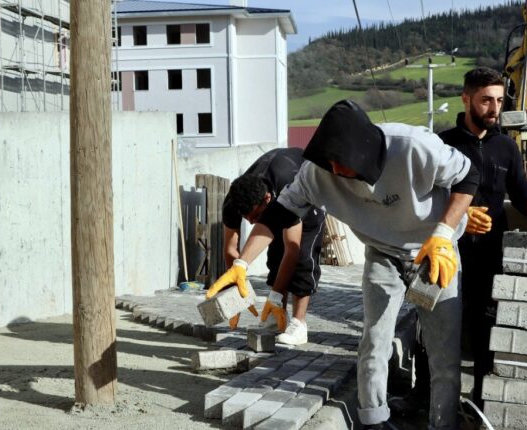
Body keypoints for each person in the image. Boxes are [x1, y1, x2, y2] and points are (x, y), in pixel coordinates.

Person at [206, 99, 480, 429]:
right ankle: (374, 420)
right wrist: (242, 266)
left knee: (443, 351)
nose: (335, 171)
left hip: (434, 253)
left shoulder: (413, 146)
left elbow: (469, 176)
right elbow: (278, 214)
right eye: (330, 163)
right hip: (383, 254)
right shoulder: (317, 172)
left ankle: (443, 424)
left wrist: (444, 231)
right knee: (374, 341)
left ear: (363, 151)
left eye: (341, 164)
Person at [439, 67, 527, 408]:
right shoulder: (443, 143)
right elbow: (426, 198)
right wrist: (458, 217)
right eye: (486, 100)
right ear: (466, 99)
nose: (494, 109)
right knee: (438, 326)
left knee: (485, 328)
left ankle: (479, 400)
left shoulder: (506, 147)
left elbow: (520, 193)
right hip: (448, 250)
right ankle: (428, 397)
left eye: (500, 101)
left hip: (491, 253)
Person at [219, 147, 326, 345]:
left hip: (309, 200)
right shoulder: (233, 202)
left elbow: (291, 249)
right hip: (277, 189)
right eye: (246, 219)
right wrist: (237, 293)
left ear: (267, 199)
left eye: (256, 217)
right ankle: (276, 319)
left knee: (303, 258)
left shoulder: (289, 185)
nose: (252, 223)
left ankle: (298, 323)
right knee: (274, 259)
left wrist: (275, 296)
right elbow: (230, 250)